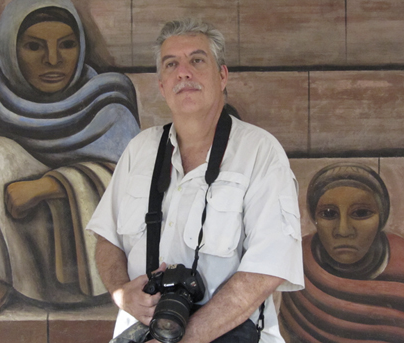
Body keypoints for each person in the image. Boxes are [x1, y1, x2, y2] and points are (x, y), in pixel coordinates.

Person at [86, 18, 304, 343]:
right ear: (161, 85)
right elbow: (107, 241)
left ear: (222, 75)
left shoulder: (260, 152)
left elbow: (265, 270)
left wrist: (188, 337)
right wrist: (122, 292)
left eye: (197, 60)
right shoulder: (139, 150)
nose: (183, 72)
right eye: (171, 64)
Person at [0, 0, 140, 317]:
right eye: (34, 46)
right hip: (16, 261)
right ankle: (2, 277)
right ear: (11, 49)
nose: (53, 60)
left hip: (94, 268)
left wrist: (47, 186)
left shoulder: (107, 99)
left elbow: (132, 184)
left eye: (67, 45)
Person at [279, 162, 404, 342]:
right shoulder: (298, 264)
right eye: (329, 213)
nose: (343, 230)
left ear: (381, 218)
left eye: (361, 213)